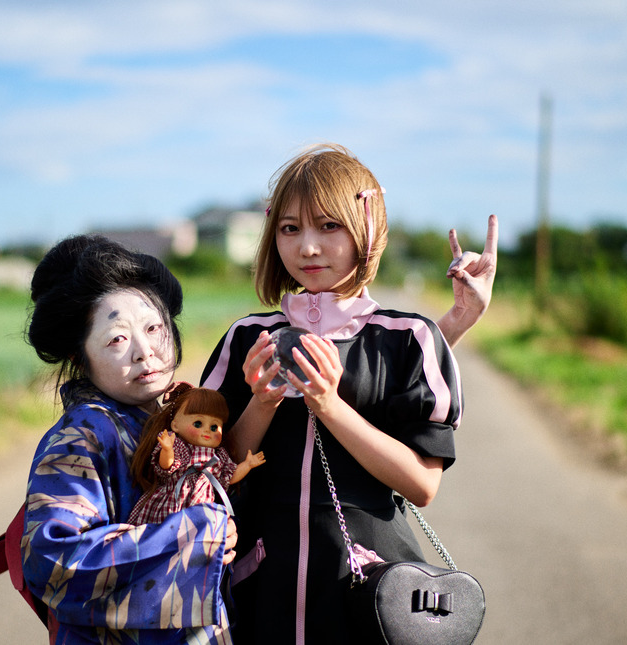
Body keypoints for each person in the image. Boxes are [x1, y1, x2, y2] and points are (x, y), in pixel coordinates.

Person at [199, 143, 498, 644]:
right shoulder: (246, 337)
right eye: (290, 228)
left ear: (368, 229)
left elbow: (422, 485)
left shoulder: (410, 337)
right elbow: (214, 470)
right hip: (262, 586)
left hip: (367, 595)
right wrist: (262, 402)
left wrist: (330, 407)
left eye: (328, 226)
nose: (307, 247)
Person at [0, 235, 236, 645]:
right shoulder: (80, 438)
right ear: (78, 357)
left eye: (154, 327)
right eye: (117, 339)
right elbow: (56, 563)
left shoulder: (165, 422)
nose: (145, 351)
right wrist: (197, 537)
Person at [127, 383, 266, 525]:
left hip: (203, 507)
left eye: (214, 427)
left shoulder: (218, 456)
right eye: (198, 424)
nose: (207, 431)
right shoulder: (178, 446)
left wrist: (247, 464)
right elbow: (166, 467)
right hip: (173, 502)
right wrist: (167, 450)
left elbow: (229, 477)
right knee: (165, 533)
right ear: (175, 425)